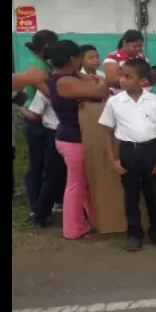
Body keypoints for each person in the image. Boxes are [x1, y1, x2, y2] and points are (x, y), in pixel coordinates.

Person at [99, 58, 156, 251]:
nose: (122, 80)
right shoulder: (114, 103)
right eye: (121, 75)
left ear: (142, 81)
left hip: (151, 150)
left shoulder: (154, 101)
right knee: (130, 195)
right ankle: (134, 233)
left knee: (152, 194)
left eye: (127, 76)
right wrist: (112, 160)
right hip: (128, 152)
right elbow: (107, 131)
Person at [43, 40, 109, 239]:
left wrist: (90, 80)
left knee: (85, 184)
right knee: (76, 185)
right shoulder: (64, 81)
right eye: (80, 58)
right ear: (72, 59)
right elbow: (100, 91)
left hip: (74, 137)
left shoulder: (64, 77)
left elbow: (93, 85)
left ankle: (94, 220)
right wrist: (103, 80)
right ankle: (73, 228)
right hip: (73, 139)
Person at [21, 29, 58, 221]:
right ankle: (36, 206)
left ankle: (47, 202)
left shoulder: (44, 63)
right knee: (37, 164)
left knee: (48, 164)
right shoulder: (35, 65)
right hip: (35, 117)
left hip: (45, 118)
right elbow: (49, 92)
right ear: (46, 47)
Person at [26, 89, 66, 227]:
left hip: (70, 131)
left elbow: (34, 113)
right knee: (52, 174)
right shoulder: (46, 87)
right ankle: (41, 213)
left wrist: (24, 110)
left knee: (60, 175)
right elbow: (35, 113)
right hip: (54, 133)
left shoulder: (78, 83)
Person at [103, 29, 156, 96]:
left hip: (146, 97)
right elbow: (111, 80)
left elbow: (152, 82)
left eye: (140, 47)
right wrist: (136, 79)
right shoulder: (113, 57)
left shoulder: (142, 57)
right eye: (135, 46)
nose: (138, 49)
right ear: (125, 43)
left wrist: (153, 75)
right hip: (121, 98)